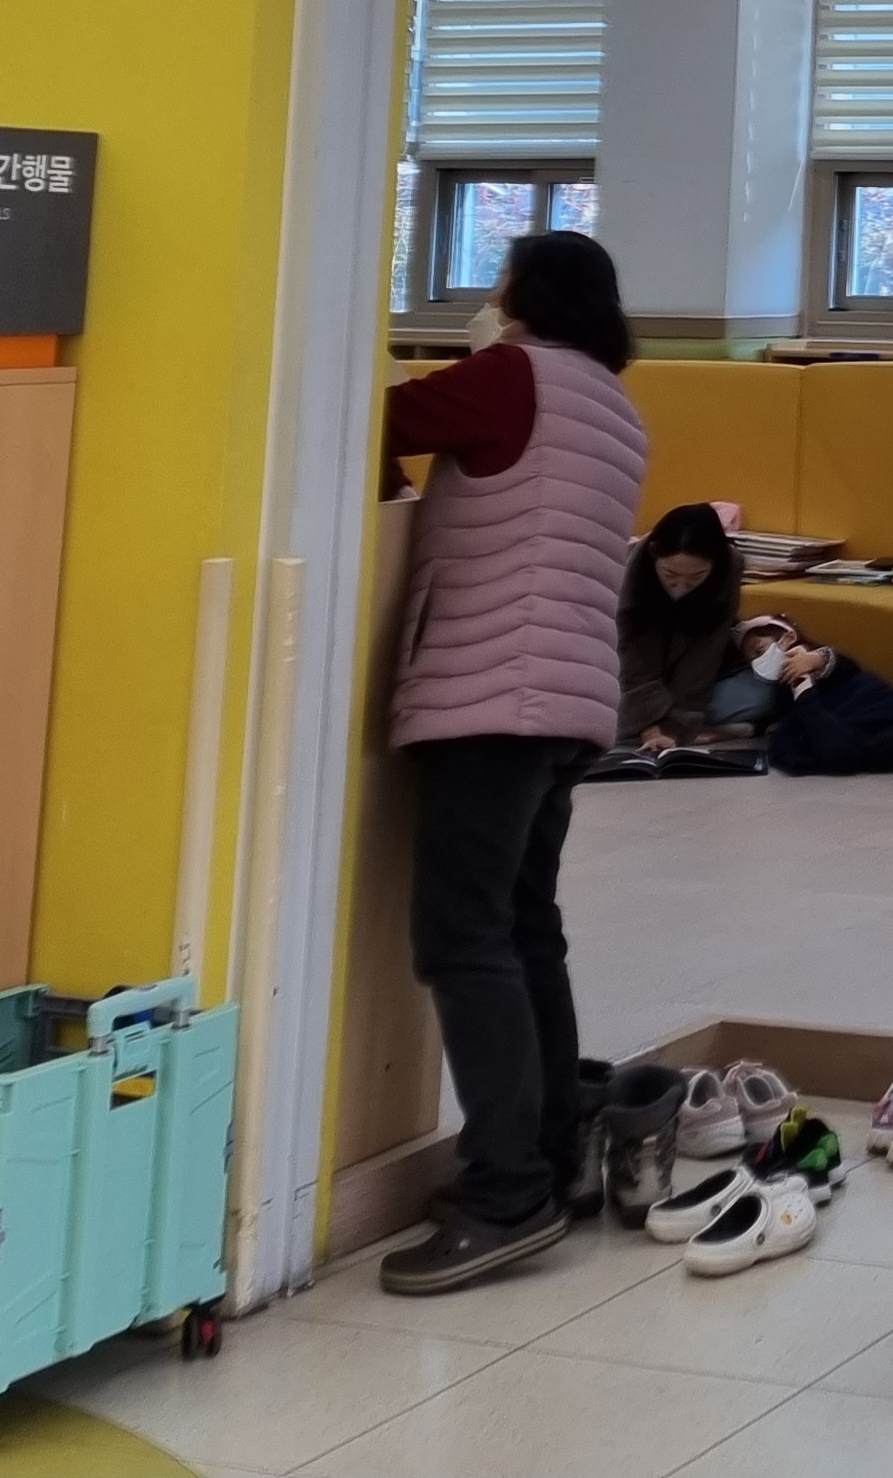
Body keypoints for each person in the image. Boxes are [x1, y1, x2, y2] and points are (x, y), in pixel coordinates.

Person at [373, 228, 647, 1294]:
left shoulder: (512, 376)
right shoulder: (615, 404)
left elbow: (377, 418)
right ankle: (548, 1156)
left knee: (464, 938)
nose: (491, 300)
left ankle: (506, 1191)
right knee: (528, 928)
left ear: (532, 294)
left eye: (500, 283)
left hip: (492, 698)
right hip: (568, 705)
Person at [617, 500, 761, 753]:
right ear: (654, 554)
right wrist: (651, 725)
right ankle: (707, 729)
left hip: (695, 685)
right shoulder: (630, 568)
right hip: (628, 679)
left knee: (759, 696)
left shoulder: (729, 566)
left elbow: (707, 651)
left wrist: (675, 725)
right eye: (670, 575)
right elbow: (631, 657)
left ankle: (697, 727)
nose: (681, 587)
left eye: (696, 577)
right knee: (592, 713)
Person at [740, 612, 893, 776]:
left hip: (873, 710)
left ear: (789, 636)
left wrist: (816, 659)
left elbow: (842, 666)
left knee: (870, 749)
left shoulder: (815, 656)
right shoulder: (781, 690)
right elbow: (789, 718)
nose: (757, 662)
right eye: (752, 659)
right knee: (871, 753)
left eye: (760, 650)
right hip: (845, 732)